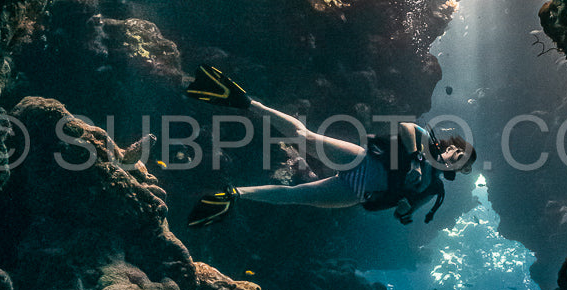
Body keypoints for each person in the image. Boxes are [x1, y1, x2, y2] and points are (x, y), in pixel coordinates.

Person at [184, 65, 476, 227]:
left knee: (295, 196)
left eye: (461, 163)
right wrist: (413, 160)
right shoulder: (426, 143)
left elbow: (405, 214)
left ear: (459, 171)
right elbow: (407, 127)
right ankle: (246, 102)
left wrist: (404, 212)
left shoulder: (433, 189)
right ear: (451, 145)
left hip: (355, 192)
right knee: (304, 138)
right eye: (458, 152)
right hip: (361, 161)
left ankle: (235, 195)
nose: (455, 158)